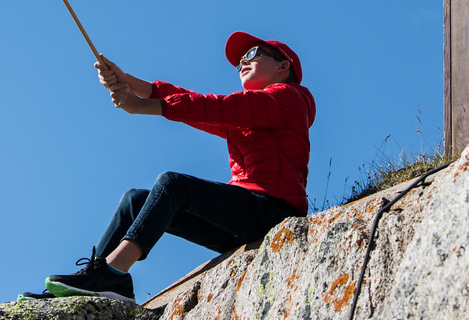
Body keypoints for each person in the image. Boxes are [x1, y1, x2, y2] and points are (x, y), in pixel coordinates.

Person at [42, 31, 316, 304]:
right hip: (244, 220)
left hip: (273, 214)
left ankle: (113, 272)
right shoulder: (256, 113)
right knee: (135, 200)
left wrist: (141, 106)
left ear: (283, 66)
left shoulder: (289, 98)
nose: (242, 61)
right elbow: (195, 105)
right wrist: (128, 81)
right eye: (239, 59)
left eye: (253, 54)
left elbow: (214, 107)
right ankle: (88, 286)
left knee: (174, 184)